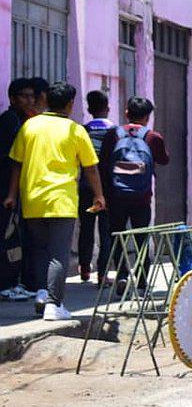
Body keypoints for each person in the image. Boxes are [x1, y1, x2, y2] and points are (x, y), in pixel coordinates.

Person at [5, 82, 107, 320]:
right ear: (70, 104)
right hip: (61, 200)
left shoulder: (30, 126)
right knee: (58, 253)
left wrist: (11, 195)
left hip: (32, 199)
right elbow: (90, 168)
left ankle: (42, 293)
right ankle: (54, 303)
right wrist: (99, 195)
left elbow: (16, 164)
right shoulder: (75, 130)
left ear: (46, 100)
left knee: (39, 250)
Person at [98, 96, 171, 289]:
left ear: (126, 113)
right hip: (142, 196)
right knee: (141, 237)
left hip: (115, 195)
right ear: (148, 116)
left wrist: (104, 194)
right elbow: (164, 159)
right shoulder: (153, 137)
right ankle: (142, 278)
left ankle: (122, 275)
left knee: (117, 236)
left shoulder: (113, 134)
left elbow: (103, 164)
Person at [0, 77, 43, 300]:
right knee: (6, 237)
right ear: (12, 99)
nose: (30, 101)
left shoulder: (23, 121)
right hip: (6, 189)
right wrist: (11, 193)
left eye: (32, 97)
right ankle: (5, 284)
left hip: (15, 189)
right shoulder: (10, 121)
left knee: (15, 238)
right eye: (24, 96)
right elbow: (11, 160)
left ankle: (12, 281)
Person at [76, 90, 112, 282]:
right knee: (106, 230)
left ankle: (84, 268)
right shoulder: (114, 131)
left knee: (86, 227)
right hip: (106, 189)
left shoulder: (82, 131)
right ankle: (103, 273)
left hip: (86, 187)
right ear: (108, 108)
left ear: (89, 110)